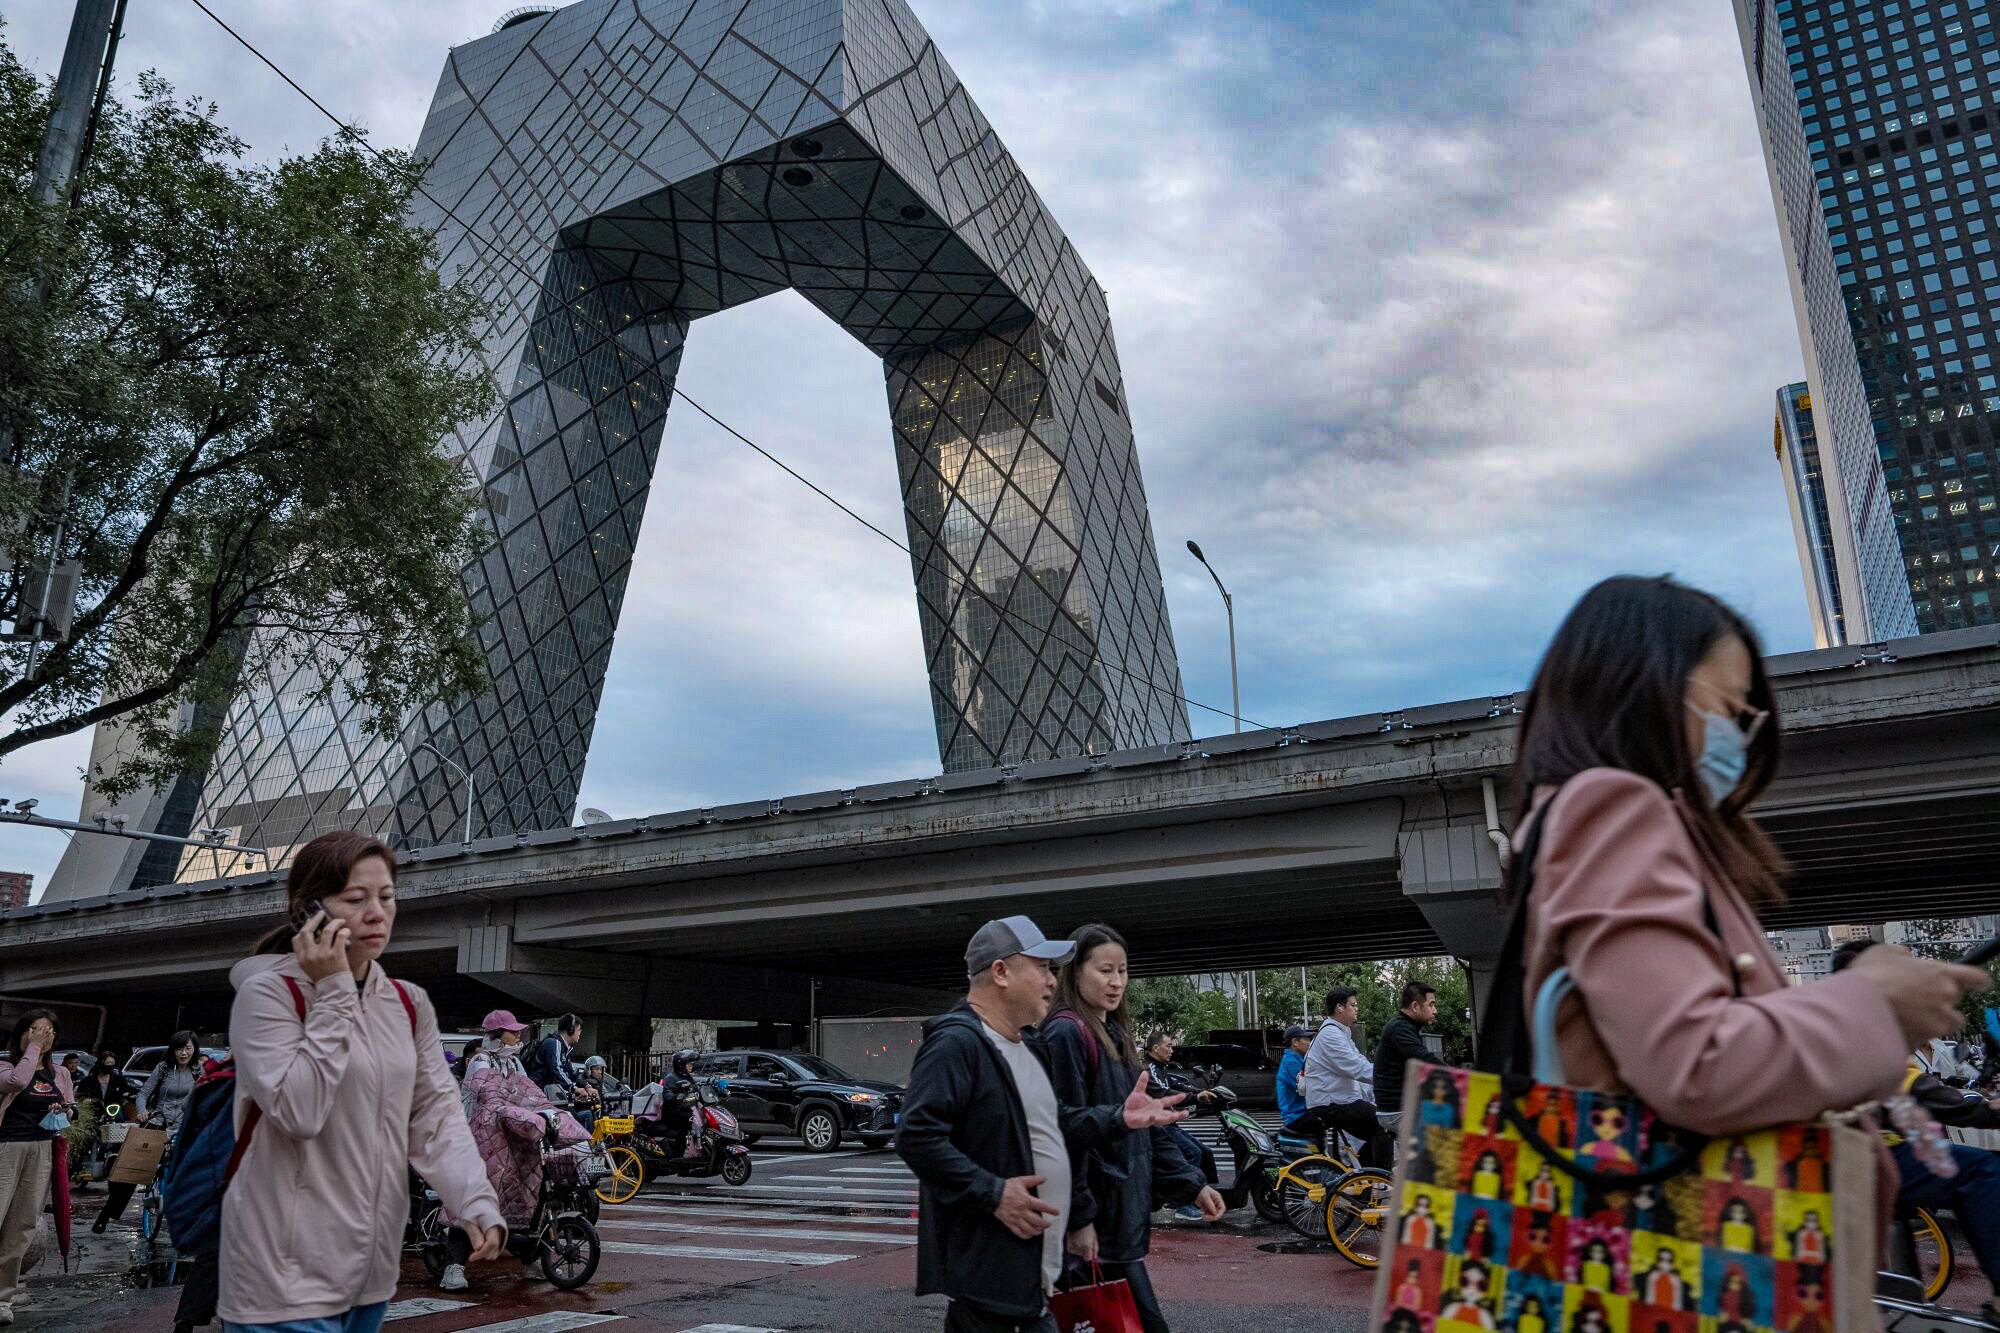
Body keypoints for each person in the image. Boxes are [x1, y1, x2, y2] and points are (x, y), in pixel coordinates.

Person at [1506, 580, 1986, 1264]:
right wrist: (1874, 1001)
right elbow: (1696, 1063)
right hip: (1689, 1261)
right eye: (1730, 708)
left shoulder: (1601, 817)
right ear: (1644, 689)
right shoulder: (1614, 806)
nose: (1745, 734)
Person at [221, 829, 506, 1333]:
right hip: (280, 1280)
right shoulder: (267, 996)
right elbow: (299, 1112)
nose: (377, 913)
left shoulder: (406, 1002)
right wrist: (333, 993)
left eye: (387, 897)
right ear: (308, 912)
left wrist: (474, 1200)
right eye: (356, 899)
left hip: (369, 1279)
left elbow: (437, 1117)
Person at [896, 914, 1195, 1333]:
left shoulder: (1026, 1046)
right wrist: (994, 1192)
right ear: (1000, 972)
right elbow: (916, 1135)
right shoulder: (957, 1043)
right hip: (991, 1277)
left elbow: (1057, 1124)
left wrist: (1119, 1118)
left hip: (1029, 1276)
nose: (1054, 981)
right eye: (1041, 967)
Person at [1044, 924, 1224, 1333]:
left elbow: (1149, 1127)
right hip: (1097, 1224)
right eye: (1104, 970)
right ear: (1075, 972)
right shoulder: (1066, 1033)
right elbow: (1063, 1133)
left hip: (1121, 1219)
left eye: (1122, 971)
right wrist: (1079, 1218)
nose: (1116, 982)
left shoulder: (1114, 1035)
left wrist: (1192, 1184)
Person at [1830, 937, 2000, 1316]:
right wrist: (1986, 1108)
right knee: (1980, 1170)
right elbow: (1919, 1090)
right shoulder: (1868, 1035)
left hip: (1879, 1145)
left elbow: (1928, 1090)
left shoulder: (1858, 1030)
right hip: (1865, 1156)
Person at [451, 1008, 586, 1294]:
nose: (518, 1035)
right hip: (479, 1141)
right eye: (512, 1031)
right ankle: (454, 1267)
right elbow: (492, 1101)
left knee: (523, 1201)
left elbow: (531, 1096)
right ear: (496, 1035)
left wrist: (549, 1114)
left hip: (513, 1139)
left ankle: (531, 1260)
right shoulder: (480, 1063)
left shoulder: (514, 1065)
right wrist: (528, 1115)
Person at [0, 1009, 73, 1324]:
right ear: (22, 1033)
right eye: (36, 1029)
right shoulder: (5, 1064)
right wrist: (32, 1049)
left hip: (42, 1148)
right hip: (7, 1147)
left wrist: (63, 1110)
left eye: (49, 1031)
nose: (44, 1035)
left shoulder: (61, 1074)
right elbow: (16, 1082)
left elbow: (71, 1113)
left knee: (22, 1226)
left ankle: (3, 1299)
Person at [94, 1029, 206, 1232]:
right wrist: (142, 1111)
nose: (183, 1053)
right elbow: (143, 1094)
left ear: (194, 1050)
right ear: (173, 1050)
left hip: (185, 1125)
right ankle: (107, 1213)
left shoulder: (199, 1071)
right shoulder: (163, 1068)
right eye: (179, 1048)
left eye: (188, 1048)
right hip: (158, 1121)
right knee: (132, 1166)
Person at [1300, 987, 1386, 1166]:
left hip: (1339, 1100)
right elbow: (1356, 1068)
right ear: (1339, 1007)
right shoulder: (1330, 1035)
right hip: (1331, 1102)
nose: (1357, 1009)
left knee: (1376, 1129)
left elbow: (1360, 1063)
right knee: (1383, 1125)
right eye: (1353, 1005)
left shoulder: (1340, 1032)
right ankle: (1380, 1182)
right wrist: (1389, 1078)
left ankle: (1365, 1178)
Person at [1140, 1031, 1217, 1221]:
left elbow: (1179, 1083)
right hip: (1159, 1128)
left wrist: (1201, 1091)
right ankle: (1183, 1204)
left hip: (1170, 1124)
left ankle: (1204, 1195)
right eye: (1169, 1046)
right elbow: (1165, 1092)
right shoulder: (1149, 1070)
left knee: (1205, 1152)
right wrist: (1195, 1097)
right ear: (1156, 1048)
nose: (1172, 1050)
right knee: (1193, 1153)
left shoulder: (1161, 1068)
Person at [1372, 980, 1438, 1132]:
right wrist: (1465, 1078)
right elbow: (1425, 1060)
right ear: (1415, 1006)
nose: (1435, 1011)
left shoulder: (1406, 1026)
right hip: (1396, 1111)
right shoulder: (1400, 1028)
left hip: (1402, 1107)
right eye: (1431, 1005)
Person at [527, 1014, 581, 1103]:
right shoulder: (554, 1043)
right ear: (570, 1030)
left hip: (548, 1093)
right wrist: (573, 1088)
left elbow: (569, 1072)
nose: (580, 1033)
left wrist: (585, 1085)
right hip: (538, 1094)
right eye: (578, 1029)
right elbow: (556, 1069)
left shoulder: (564, 1048)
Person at [1274, 1025, 1314, 1139]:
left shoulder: (1298, 1059)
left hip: (1302, 1113)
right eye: (1306, 1039)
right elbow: (1307, 1086)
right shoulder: (1291, 1062)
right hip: (1296, 1117)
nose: (1309, 1042)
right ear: (1295, 1042)